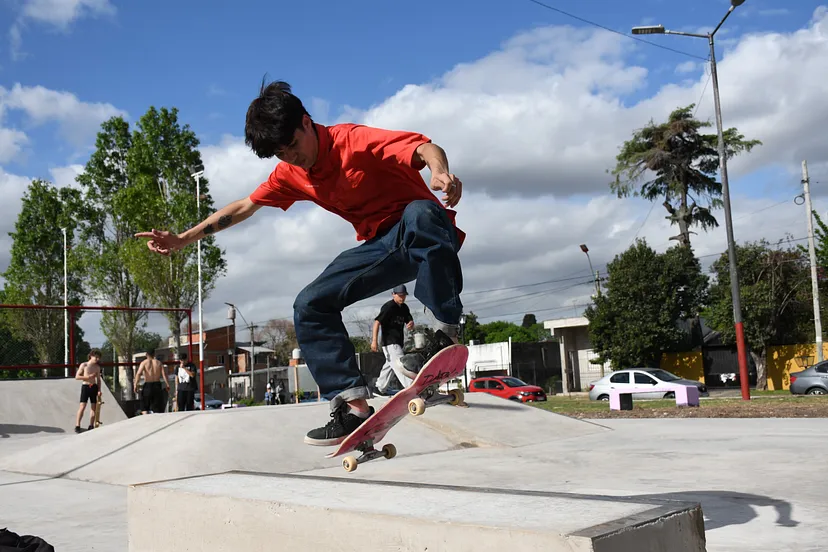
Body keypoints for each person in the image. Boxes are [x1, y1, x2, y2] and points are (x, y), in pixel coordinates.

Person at [135, 79, 464, 446]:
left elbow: (423, 147)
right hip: (381, 249)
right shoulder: (291, 173)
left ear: (307, 122)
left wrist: (439, 171)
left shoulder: (351, 140)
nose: (292, 157)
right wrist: (183, 238)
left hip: (426, 233)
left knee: (421, 212)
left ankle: (444, 334)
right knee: (310, 304)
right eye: (281, 153)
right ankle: (353, 407)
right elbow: (244, 206)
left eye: (293, 145)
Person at [372, 284, 415, 395]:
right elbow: (377, 322)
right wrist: (374, 341)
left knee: (390, 365)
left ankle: (379, 388)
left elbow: (409, 320)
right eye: (400, 295)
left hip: (398, 342)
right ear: (393, 294)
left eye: (404, 295)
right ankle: (411, 387)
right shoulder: (388, 307)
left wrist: (410, 324)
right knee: (400, 364)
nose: (402, 298)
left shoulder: (404, 308)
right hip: (389, 342)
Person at [74, 349, 103, 433]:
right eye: (96, 357)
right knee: (82, 406)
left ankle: (91, 425)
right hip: (86, 386)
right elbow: (77, 376)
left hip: (93, 387)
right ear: (91, 356)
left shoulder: (97, 367)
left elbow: (99, 380)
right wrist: (87, 377)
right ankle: (77, 425)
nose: (97, 359)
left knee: (93, 407)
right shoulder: (84, 365)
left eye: (98, 358)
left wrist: (99, 390)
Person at [134, 349, 170, 414]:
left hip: (148, 385)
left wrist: (135, 385)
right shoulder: (159, 363)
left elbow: (138, 373)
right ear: (154, 354)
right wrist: (167, 384)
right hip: (157, 385)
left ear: (146, 355)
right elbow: (164, 374)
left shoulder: (144, 363)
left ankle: (146, 420)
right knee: (157, 407)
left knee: (144, 406)